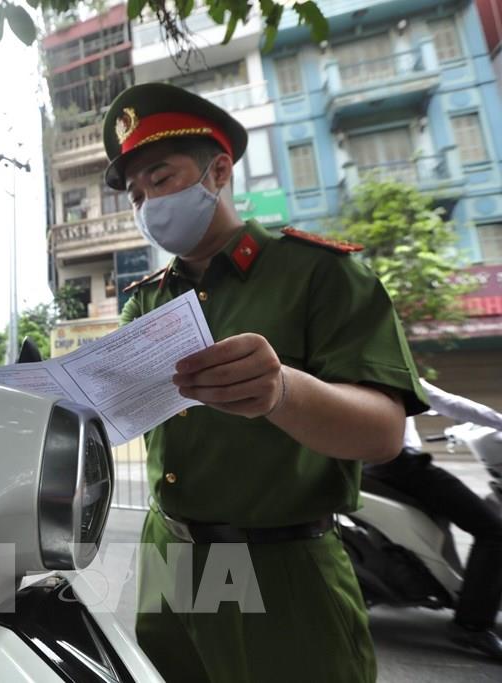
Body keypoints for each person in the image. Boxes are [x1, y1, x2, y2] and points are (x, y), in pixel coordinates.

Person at [105, 83, 428, 683]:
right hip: (169, 556)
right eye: (136, 193)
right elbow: (119, 409)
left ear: (219, 170)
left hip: (282, 565)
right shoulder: (146, 300)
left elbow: (384, 432)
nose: (149, 202)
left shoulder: (320, 273)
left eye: (162, 177)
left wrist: (282, 391)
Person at [365, 378, 502, 659]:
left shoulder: (360, 365)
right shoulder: (387, 367)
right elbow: (444, 401)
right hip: (401, 467)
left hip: (382, 466)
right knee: (494, 532)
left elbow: (433, 405)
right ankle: (472, 626)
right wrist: (498, 420)